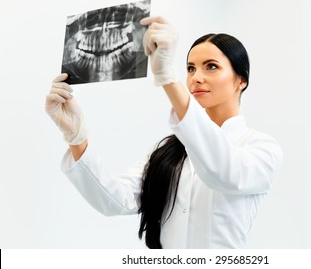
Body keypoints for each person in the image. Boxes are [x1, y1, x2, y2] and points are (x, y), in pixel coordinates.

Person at [45, 16, 283, 249]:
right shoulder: (166, 153)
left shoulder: (262, 149)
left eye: (211, 66)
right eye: (190, 68)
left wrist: (167, 76)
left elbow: (221, 171)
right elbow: (115, 200)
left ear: (240, 80)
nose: (196, 78)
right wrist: (76, 137)